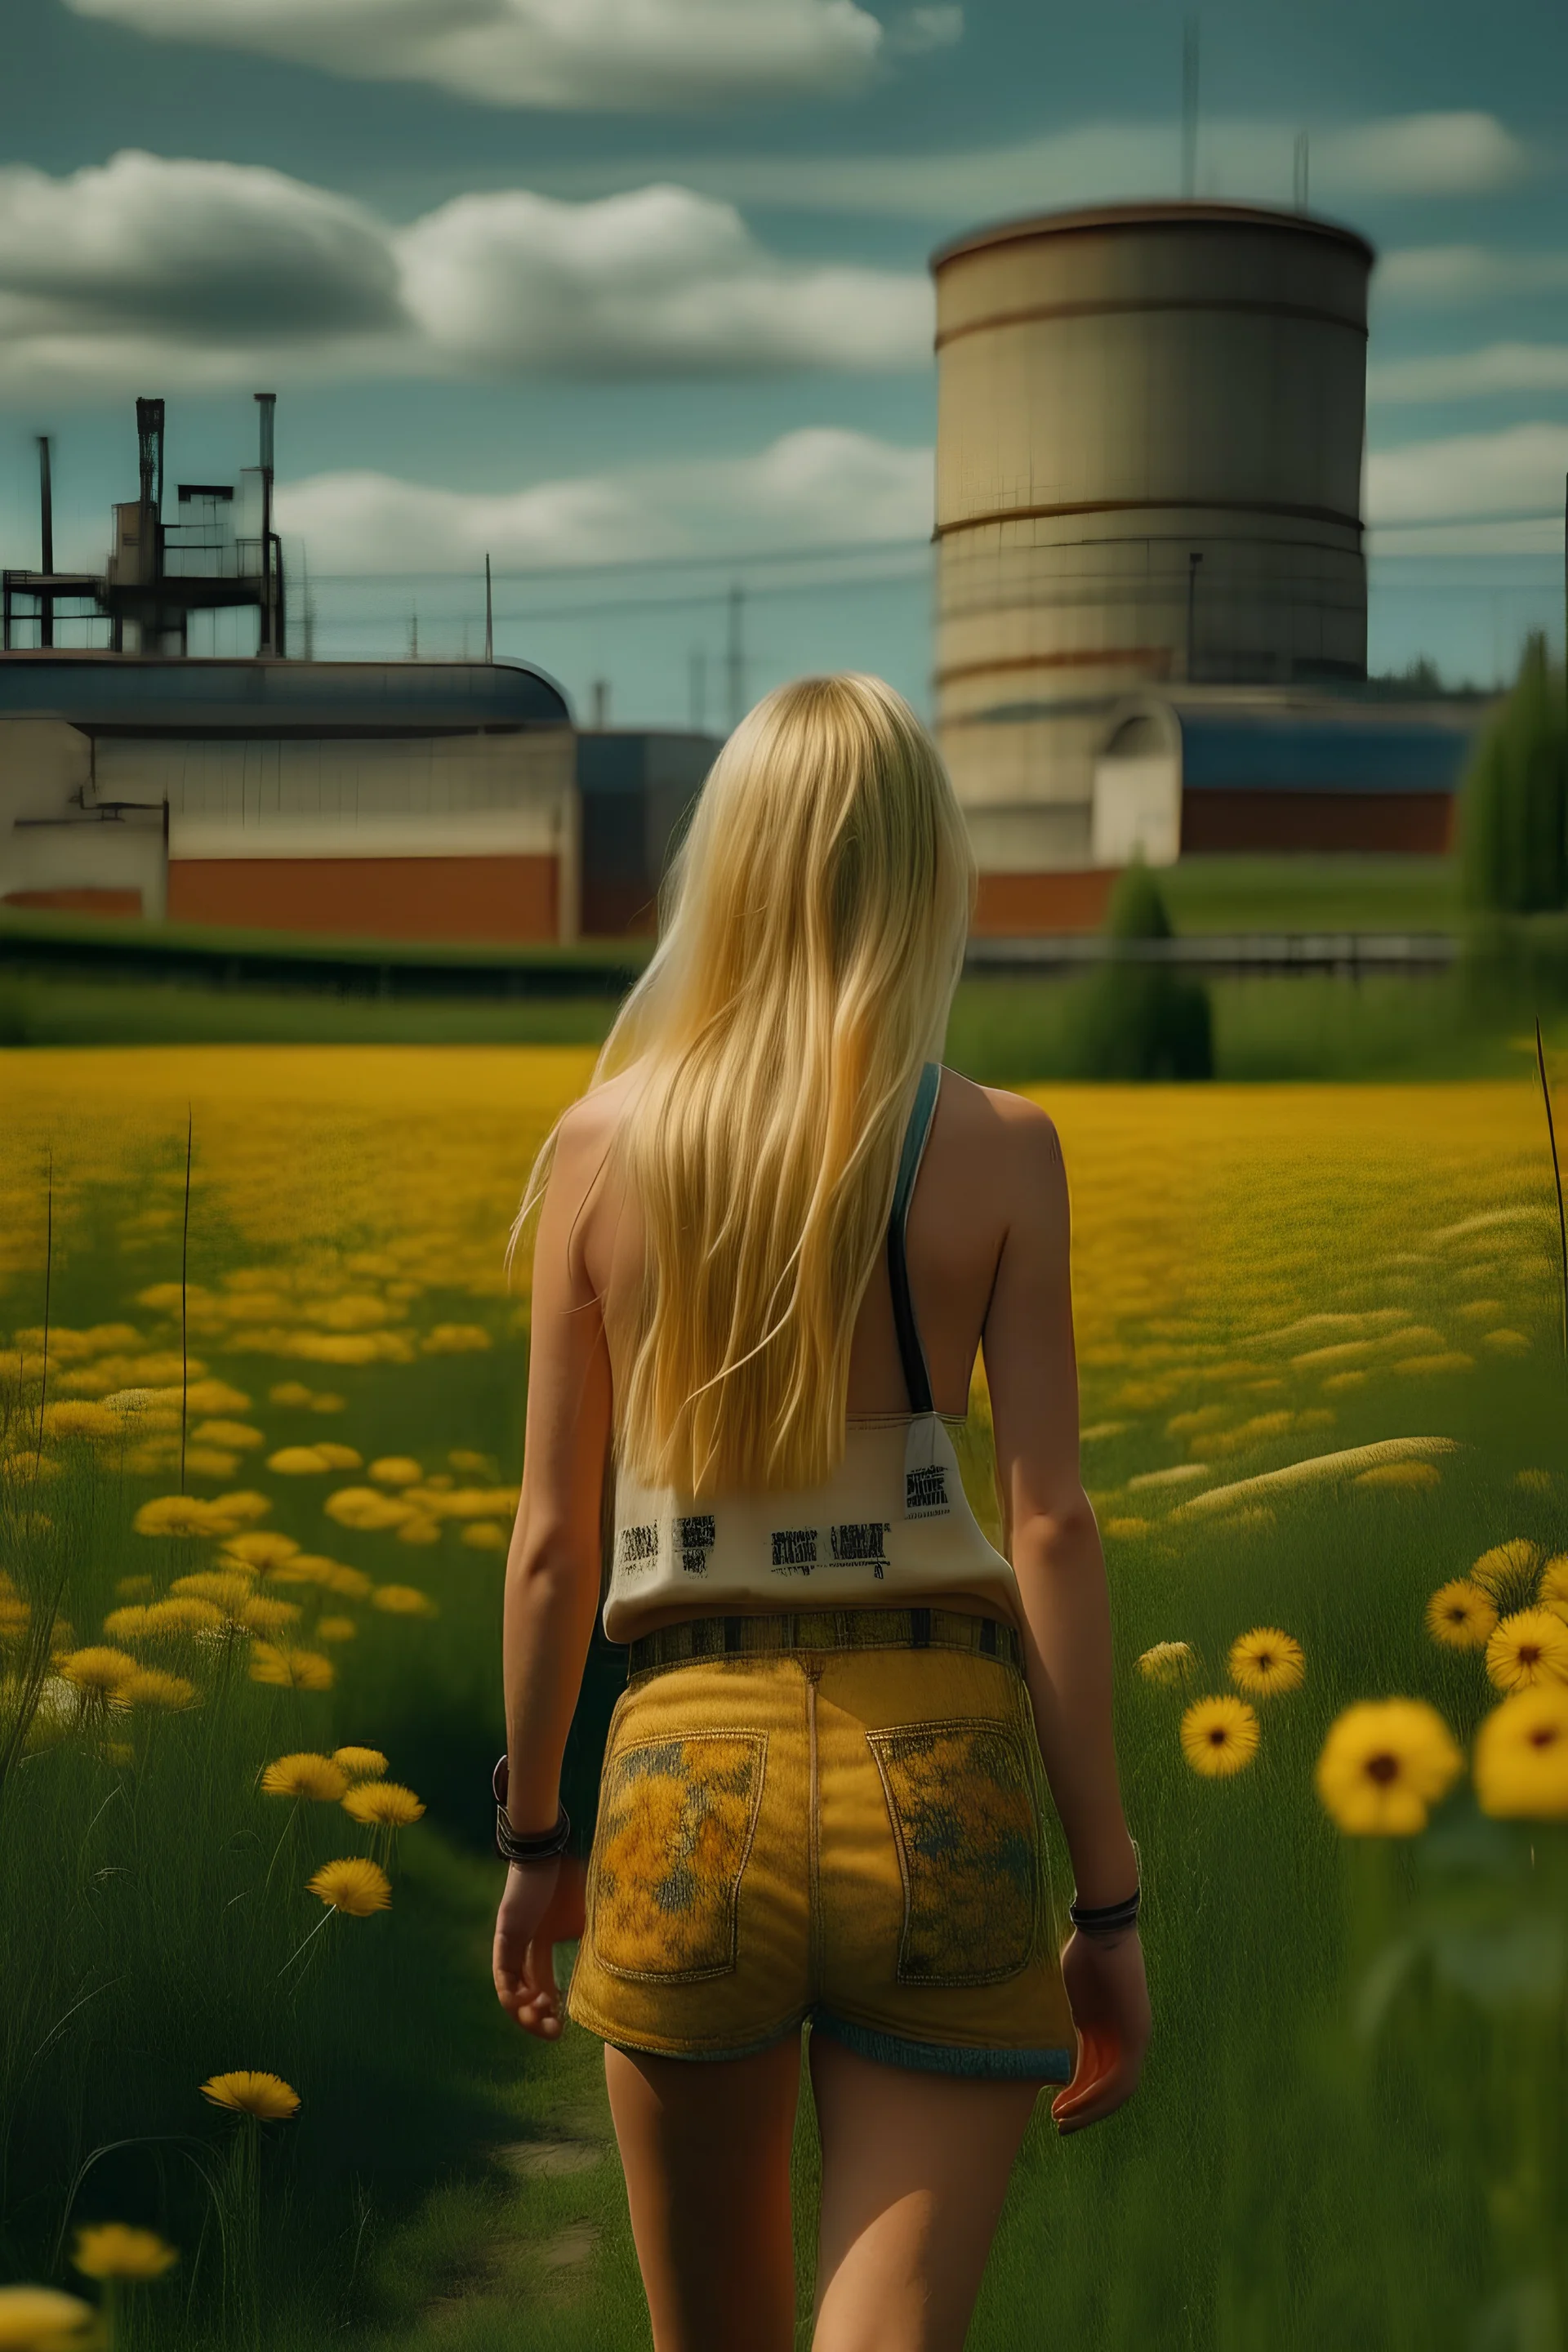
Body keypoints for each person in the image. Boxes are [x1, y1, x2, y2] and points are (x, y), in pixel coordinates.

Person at [492, 674, 1150, 2352]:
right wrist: (1109, 1902)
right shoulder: (1003, 1150)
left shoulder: (597, 1152)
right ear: (925, 874)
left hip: (679, 1778)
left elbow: (556, 1544)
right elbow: (1054, 1526)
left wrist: (535, 1840)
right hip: (941, 1766)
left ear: (730, 869)